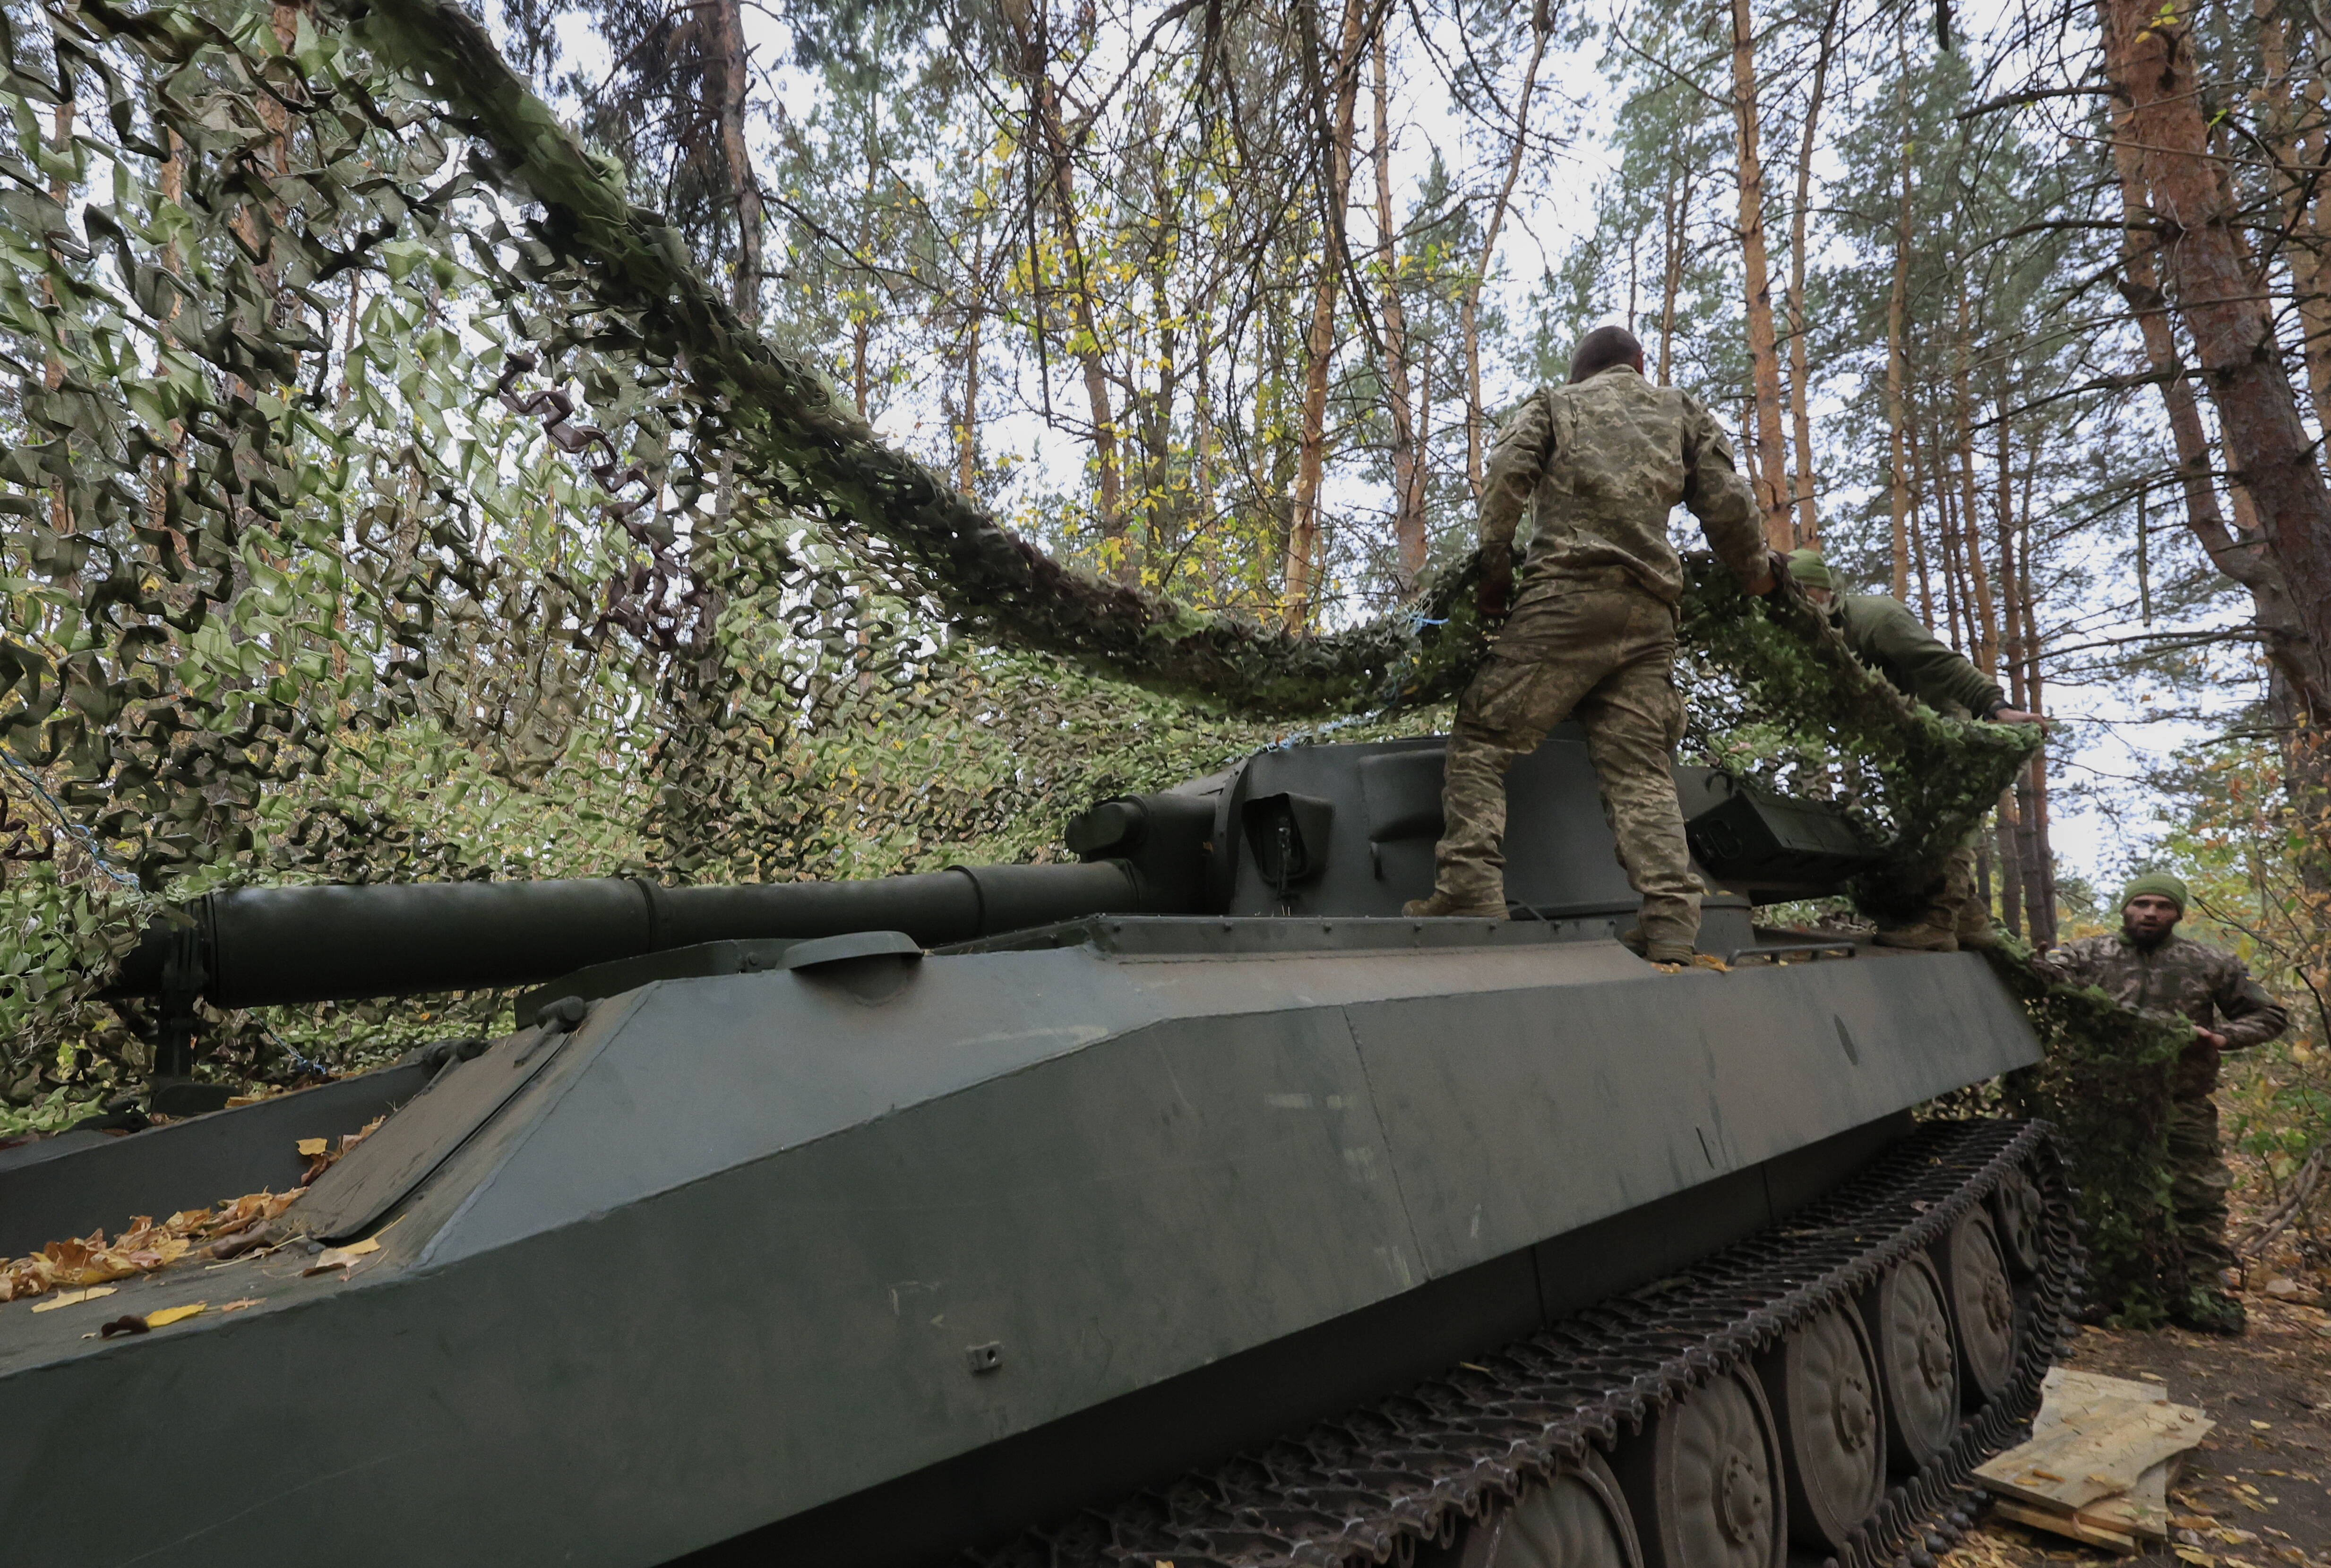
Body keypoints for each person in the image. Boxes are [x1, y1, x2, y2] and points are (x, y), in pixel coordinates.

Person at [1403, 325, 1781, 964]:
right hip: (1650, 618)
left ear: (1581, 373)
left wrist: (1495, 568)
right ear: (1639, 362)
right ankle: (1669, 922)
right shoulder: (1681, 410)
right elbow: (1727, 501)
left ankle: (1470, 885)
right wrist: (1757, 574)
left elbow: (1505, 474)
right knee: (1639, 771)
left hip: (1566, 598)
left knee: (1485, 733)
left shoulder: (1556, 403)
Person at [2035, 872, 2290, 1335]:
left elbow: (2270, 1014)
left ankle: (2197, 1292)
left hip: (2182, 1103)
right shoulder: (2085, 955)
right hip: (2103, 1102)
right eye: (2141, 904)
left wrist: (2223, 1036)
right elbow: (2039, 988)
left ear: (2177, 914)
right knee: (2097, 1197)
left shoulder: (2209, 961)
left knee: (2195, 1196)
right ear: (2125, 909)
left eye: (2162, 906)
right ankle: (2097, 1287)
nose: (2150, 913)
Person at [1784, 549, 2045, 950]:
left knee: (1944, 816)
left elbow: (1941, 663)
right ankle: (1970, 919)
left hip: (1939, 719)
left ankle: (1938, 925)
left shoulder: (1876, 617)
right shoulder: (1805, 632)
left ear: (1816, 590)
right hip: (1894, 730)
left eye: (1796, 594)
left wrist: (1996, 707)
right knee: (1912, 823)